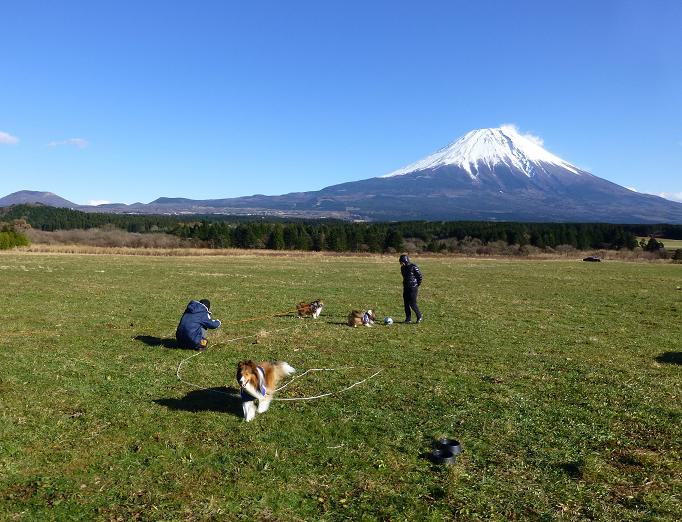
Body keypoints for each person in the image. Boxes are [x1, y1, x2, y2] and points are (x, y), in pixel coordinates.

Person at [399, 254, 423, 324]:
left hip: (413, 288)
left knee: (412, 303)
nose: (401, 263)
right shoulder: (402, 268)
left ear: (405, 261)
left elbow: (420, 277)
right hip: (406, 287)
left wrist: (416, 284)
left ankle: (419, 316)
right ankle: (408, 319)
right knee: (406, 303)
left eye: (401, 261)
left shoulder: (413, 267)